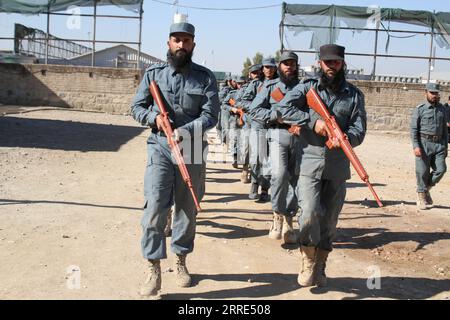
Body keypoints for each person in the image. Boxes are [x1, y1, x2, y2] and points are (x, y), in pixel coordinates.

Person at [130, 22, 219, 297]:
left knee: (187, 207)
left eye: (187, 40)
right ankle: (153, 265)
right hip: (160, 145)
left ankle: (180, 259)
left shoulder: (205, 78)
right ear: (168, 43)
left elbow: (211, 115)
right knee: (156, 204)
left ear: (193, 45)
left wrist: (185, 131)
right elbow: (137, 106)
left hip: (191, 146)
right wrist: (153, 118)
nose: (181, 44)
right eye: (176, 40)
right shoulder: (153, 74)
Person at [279, 44, 367, 287]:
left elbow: (360, 129)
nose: (331, 66)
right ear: (320, 63)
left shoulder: (355, 95)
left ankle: (321, 262)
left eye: (336, 62)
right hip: (310, 162)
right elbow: (282, 108)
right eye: (327, 62)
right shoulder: (307, 88)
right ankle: (307, 258)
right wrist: (312, 122)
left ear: (342, 63)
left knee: (329, 220)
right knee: (308, 213)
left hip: (338, 167)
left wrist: (347, 138)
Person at [249, 52, 301, 244]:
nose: (289, 67)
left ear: (296, 66)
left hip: (301, 138)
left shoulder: (305, 87)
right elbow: (254, 110)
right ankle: (277, 214)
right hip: (278, 135)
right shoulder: (271, 87)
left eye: (292, 64)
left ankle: (289, 219)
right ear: (280, 66)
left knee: (295, 179)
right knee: (279, 175)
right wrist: (275, 115)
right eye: (285, 64)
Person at [410, 83, 448, 210]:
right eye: (432, 93)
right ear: (425, 92)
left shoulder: (442, 109)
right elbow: (414, 130)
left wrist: (445, 147)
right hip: (424, 143)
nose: (434, 95)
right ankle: (421, 197)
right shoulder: (420, 109)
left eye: (436, 93)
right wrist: (416, 146)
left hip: (439, 145)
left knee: (441, 169)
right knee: (422, 172)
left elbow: (445, 131)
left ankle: (425, 189)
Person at [248, 58, 278, 202]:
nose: (269, 70)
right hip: (257, 123)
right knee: (256, 157)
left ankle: (265, 188)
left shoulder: (280, 84)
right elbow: (242, 100)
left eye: (271, 67)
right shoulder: (256, 84)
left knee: (269, 159)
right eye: (266, 67)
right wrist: (256, 107)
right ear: (262, 69)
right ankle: (254, 183)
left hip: (273, 124)